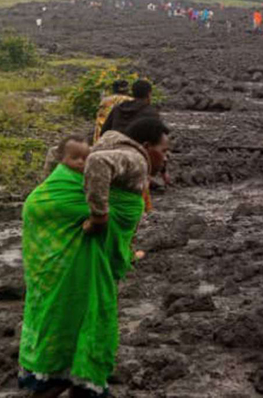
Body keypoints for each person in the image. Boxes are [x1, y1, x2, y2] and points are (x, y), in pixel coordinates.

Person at [19, 119, 171, 398]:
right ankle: (67, 376)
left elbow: (58, 151)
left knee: (71, 301)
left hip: (57, 220)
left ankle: (72, 376)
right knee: (84, 305)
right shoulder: (134, 158)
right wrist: (99, 217)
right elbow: (98, 163)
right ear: (147, 147)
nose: (166, 156)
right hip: (82, 236)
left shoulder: (113, 142)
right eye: (164, 150)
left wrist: (51, 184)